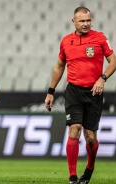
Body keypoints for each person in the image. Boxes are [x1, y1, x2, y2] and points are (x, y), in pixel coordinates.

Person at [44, 7, 116, 184]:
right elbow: (59, 67)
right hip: (74, 91)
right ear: (73, 22)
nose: (86, 24)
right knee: (74, 129)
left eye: (88, 20)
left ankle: (89, 169)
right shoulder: (66, 41)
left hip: (94, 92)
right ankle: (73, 177)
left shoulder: (100, 38)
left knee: (90, 137)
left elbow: (113, 61)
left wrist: (102, 78)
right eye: (82, 21)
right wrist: (50, 92)